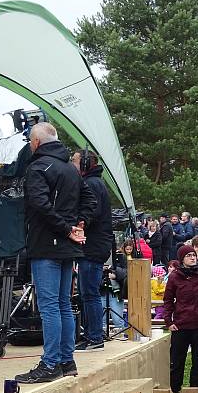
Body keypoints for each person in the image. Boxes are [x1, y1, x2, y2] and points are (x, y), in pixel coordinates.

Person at [15, 123, 97, 384]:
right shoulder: (71, 170)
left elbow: (39, 204)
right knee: (63, 304)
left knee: (50, 306)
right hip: (66, 245)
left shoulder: (38, 168)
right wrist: (78, 224)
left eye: (30, 141)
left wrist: (66, 228)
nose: (29, 145)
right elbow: (90, 200)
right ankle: (66, 360)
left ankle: (51, 363)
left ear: (37, 143)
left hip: (48, 244)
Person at [71, 149, 113, 354]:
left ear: (86, 163)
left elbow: (90, 213)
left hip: (93, 247)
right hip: (94, 246)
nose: (72, 164)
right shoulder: (95, 183)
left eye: (75, 161)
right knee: (88, 293)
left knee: (90, 293)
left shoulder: (92, 184)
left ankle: (94, 336)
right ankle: (91, 335)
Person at [162, 244, 198, 393]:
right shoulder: (174, 276)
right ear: (182, 259)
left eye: (193, 255)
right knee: (177, 361)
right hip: (181, 325)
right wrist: (169, 321)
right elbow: (168, 300)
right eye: (188, 256)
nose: (192, 258)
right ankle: (175, 391)